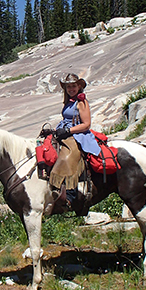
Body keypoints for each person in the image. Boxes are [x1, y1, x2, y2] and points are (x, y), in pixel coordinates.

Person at [49, 73, 101, 211]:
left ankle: (69, 194)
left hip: (78, 134)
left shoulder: (81, 102)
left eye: (73, 86)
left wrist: (68, 131)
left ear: (79, 86)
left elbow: (86, 124)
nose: (71, 89)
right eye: (68, 86)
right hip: (65, 130)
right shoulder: (69, 101)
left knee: (68, 156)